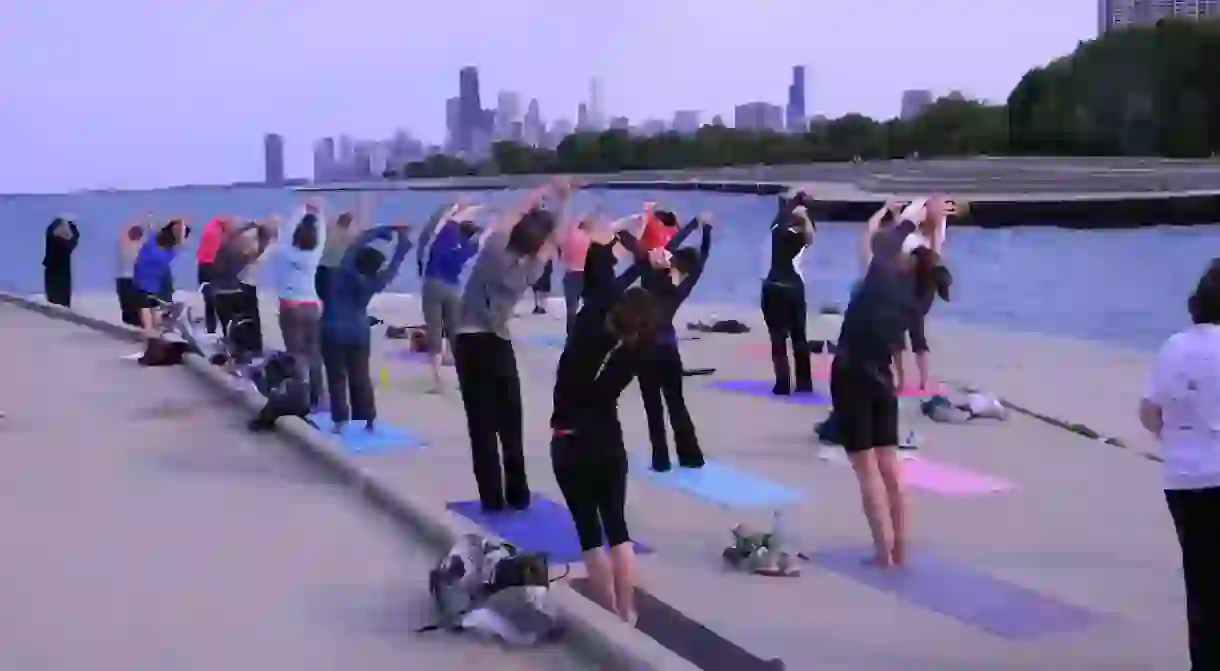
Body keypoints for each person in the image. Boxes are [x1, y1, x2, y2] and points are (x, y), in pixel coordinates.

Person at [830, 194, 950, 568]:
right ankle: (901, 550)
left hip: (851, 374)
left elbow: (883, 242)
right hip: (882, 378)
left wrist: (912, 215)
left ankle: (884, 553)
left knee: (867, 470)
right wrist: (934, 223)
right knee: (891, 468)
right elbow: (930, 253)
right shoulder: (919, 295)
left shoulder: (881, 276)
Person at [551, 223, 662, 624]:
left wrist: (605, 238)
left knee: (588, 532)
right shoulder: (636, 349)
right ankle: (626, 610)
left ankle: (609, 615)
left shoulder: (588, 324)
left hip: (568, 440)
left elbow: (599, 275)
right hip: (607, 441)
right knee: (617, 529)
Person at [454, 179, 570, 512]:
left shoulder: (492, 252)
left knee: (481, 424)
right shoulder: (531, 270)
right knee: (509, 420)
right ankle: (518, 495)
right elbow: (554, 240)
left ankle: (492, 498)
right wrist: (565, 199)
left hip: (469, 340)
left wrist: (540, 190)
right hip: (498, 344)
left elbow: (511, 215)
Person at [1139, 258, 1220, 670]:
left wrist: (1179, 439)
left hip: (1183, 480)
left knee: (1200, 582)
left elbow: (1149, 413)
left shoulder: (1174, 346)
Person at [637, 213, 713, 472]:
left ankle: (660, 459)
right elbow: (702, 260)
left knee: (653, 407)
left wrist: (695, 223)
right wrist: (707, 231)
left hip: (645, 349)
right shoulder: (683, 286)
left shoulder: (650, 277)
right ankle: (690, 456)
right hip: (668, 350)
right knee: (676, 403)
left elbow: (667, 248)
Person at [319, 223, 412, 434]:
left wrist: (383, 230)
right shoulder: (375, 282)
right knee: (360, 377)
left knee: (336, 377)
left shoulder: (344, 272)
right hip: (359, 332)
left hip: (333, 330)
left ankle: (341, 421)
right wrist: (403, 244)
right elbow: (394, 267)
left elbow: (356, 243)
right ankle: (368, 419)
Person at [418, 202, 484, 394]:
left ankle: (437, 382)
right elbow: (482, 237)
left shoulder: (446, 236)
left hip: (433, 285)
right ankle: (463, 377)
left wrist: (463, 206)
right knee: (455, 332)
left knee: (434, 331)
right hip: (453, 288)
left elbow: (450, 218)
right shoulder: (469, 248)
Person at [271, 202, 328, 410]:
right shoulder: (314, 255)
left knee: (295, 354)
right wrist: (319, 214)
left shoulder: (284, 251)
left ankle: (301, 396)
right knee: (314, 354)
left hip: (290, 306)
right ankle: (319, 397)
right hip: (311, 306)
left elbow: (285, 233)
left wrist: (301, 209)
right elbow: (322, 236)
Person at [892, 197, 951, 390]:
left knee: (910, 334)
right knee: (910, 334)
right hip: (915, 287)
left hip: (918, 287)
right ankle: (914, 381)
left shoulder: (929, 238)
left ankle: (911, 381)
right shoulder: (920, 238)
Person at [760, 197, 816, 395]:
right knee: (799, 337)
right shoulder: (798, 238)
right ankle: (803, 383)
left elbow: (781, 217)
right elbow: (810, 237)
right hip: (792, 288)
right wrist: (805, 214)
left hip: (773, 286)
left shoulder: (775, 232)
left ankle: (783, 383)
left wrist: (797, 199)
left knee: (778, 338)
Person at [210, 219, 274, 357]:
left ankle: (242, 349)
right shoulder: (251, 250)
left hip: (235, 287)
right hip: (241, 286)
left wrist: (248, 226)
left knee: (242, 321)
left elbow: (231, 236)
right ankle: (248, 349)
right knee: (248, 320)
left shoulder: (234, 247)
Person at [132, 219, 188, 334]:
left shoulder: (154, 237)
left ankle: (150, 331)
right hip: (154, 276)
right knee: (153, 305)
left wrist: (179, 222)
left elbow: (152, 225)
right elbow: (181, 240)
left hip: (144, 274)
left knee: (146, 305)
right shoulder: (172, 249)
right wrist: (181, 223)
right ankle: (152, 331)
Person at [557, 217, 593, 332]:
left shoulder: (569, 238)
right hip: (586, 274)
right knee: (590, 305)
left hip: (571, 273)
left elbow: (561, 252)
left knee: (571, 307)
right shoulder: (589, 239)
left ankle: (571, 333)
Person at [195, 216, 229, 334]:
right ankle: (223, 328)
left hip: (205, 266)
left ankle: (212, 328)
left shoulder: (208, 230)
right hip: (212, 265)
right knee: (219, 297)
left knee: (210, 299)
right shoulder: (220, 232)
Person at [116, 218, 150, 327]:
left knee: (135, 308)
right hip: (126, 278)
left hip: (132, 279)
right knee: (130, 309)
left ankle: (141, 328)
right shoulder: (129, 246)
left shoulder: (139, 247)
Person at [42, 217, 80, 307]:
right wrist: (73, 227)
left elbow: (74, 239)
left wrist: (72, 227)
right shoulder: (61, 244)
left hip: (57, 273)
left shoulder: (58, 243)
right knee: (58, 301)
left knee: (57, 301)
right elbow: (74, 239)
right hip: (58, 273)